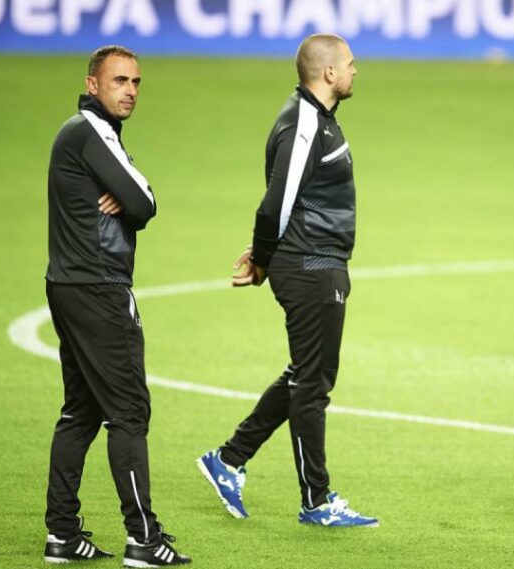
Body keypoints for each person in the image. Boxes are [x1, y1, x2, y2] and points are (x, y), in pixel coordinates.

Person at [196, 34, 377, 528]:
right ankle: (315, 500)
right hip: (310, 267)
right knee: (313, 384)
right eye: (349, 64)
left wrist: (268, 254)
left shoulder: (316, 120)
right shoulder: (304, 124)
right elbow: (275, 203)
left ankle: (229, 459)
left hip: (314, 262)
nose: (355, 71)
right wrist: (262, 258)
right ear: (329, 73)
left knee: (305, 374)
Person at [43, 45, 190, 566]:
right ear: (92, 85)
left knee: (81, 411)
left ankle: (61, 533)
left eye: (136, 82)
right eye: (119, 81)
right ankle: (142, 538)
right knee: (128, 411)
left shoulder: (87, 134)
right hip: (100, 288)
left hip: (68, 284)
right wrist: (128, 194)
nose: (130, 91)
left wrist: (125, 194)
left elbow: (132, 198)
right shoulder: (91, 131)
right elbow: (144, 201)